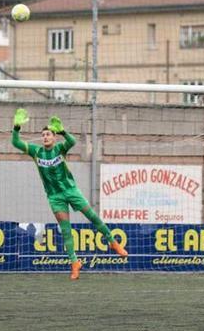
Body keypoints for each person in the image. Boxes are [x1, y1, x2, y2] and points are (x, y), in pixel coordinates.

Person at [11, 109, 127, 280]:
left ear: (54, 137)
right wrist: (16, 127)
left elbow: (72, 141)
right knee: (66, 230)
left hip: (71, 190)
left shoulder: (60, 148)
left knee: (93, 216)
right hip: (55, 196)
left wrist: (63, 131)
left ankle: (113, 242)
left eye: (48, 134)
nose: (45, 137)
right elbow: (16, 143)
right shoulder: (36, 152)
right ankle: (75, 263)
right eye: (43, 135)